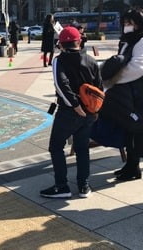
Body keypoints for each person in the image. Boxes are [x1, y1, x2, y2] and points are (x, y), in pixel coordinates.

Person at [40, 27, 102, 199]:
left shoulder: (60, 61)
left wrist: (75, 106)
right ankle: (84, 185)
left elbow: (62, 85)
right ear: (79, 41)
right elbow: (100, 88)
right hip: (89, 112)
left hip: (69, 112)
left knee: (56, 147)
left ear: (61, 44)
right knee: (82, 148)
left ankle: (62, 186)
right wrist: (94, 110)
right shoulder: (90, 60)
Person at [106, 9, 143, 181]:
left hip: (138, 92)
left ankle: (134, 167)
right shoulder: (128, 39)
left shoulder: (141, 40)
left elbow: (137, 68)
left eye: (131, 23)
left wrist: (113, 80)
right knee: (129, 129)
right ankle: (130, 165)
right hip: (128, 92)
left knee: (135, 129)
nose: (127, 26)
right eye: (125, 23)